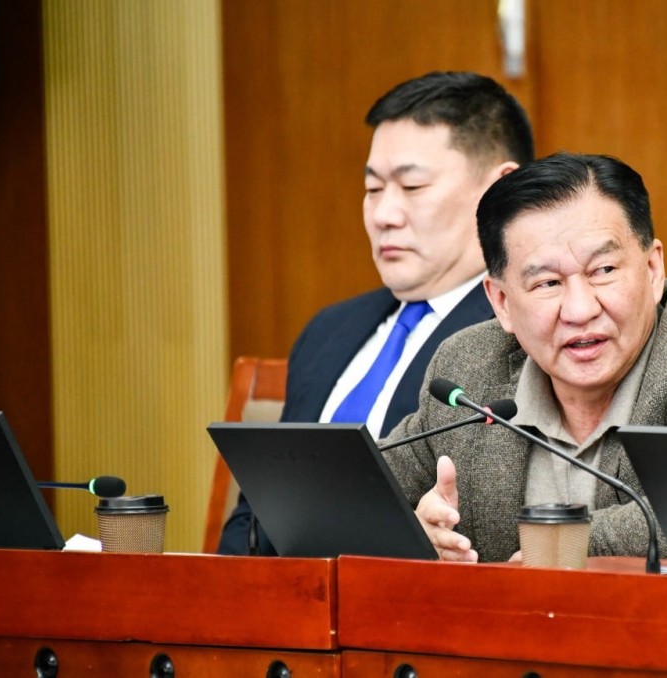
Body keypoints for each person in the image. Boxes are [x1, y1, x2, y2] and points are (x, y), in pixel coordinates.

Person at [380, 152, 667, 563]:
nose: (580, 310)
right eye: (548, 282)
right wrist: (412, 533)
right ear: (501, 302)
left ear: (652, 269)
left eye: (604, 270)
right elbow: (364, 490)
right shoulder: (469, 367)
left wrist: (551, 550)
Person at [217, 71, 534, 555]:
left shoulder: (523, 335)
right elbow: (257, 513)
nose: (384, 215)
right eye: (372, 189)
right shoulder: (328, 331)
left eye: (412, 185)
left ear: (499, 191)